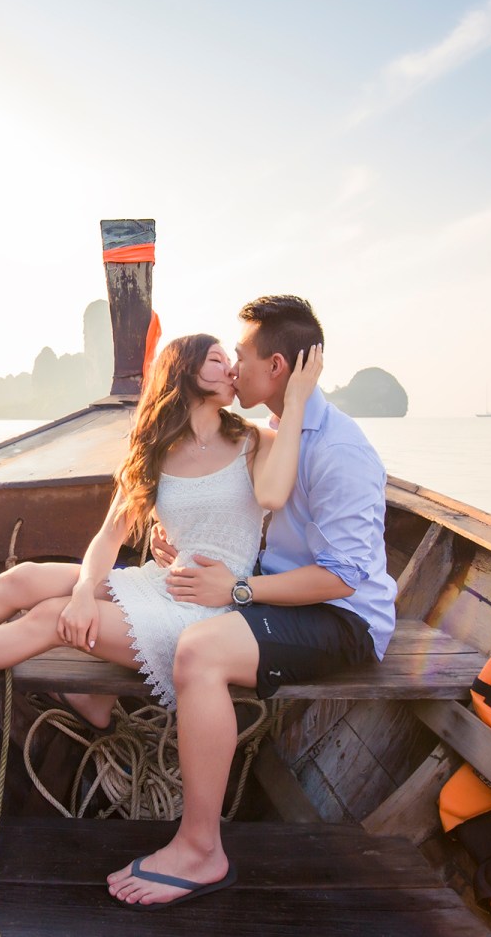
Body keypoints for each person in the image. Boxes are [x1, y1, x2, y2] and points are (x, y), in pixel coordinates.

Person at [0, 332, 321, 734]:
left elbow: (275, 495)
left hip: (209, 612)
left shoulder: (256, 441)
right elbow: (109, 537)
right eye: (218, 360)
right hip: (161, 583)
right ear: (185, 371)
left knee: (49, 618)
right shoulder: (155, 449)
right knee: (24, 578)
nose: (232, 370)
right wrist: (86, 591)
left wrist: (294, 402)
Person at [106, 294, 396, 908]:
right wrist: (173, 541)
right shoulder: (273, 432)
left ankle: (201, 848)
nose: (233, 368)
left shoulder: (339, 451)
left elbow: (344, 578)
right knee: (180, 627)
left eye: (241, 356)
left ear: (279, 369)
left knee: (199, 653)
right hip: (284, 589)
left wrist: (238, 590)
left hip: (342, 619)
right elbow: (234, 501)